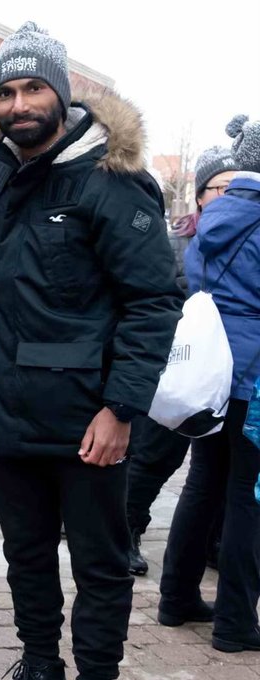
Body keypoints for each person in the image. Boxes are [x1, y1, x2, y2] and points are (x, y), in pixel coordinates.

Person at [0, 23, 182, 680]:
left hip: (90, 423)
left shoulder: (110, 180)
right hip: (7, 415)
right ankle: (41, 669)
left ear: (61, 96)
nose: (19, 103)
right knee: (26, 555)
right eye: (7, 91)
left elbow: (155, 301)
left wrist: (121, 408)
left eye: (33, 89)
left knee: (98, 567)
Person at [158, 116, 260, 652]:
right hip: (253, 378)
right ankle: (237, 622)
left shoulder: (214, 215)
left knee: (204, 484)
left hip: (212, 372)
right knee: (247, 495)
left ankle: (175, 598)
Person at [126, 146, 237, 576]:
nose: (231, 196)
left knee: (218, 467)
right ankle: (127, 530)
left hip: (230, 372)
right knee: (157, 455)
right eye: (222, 188)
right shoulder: (177, 240)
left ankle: (213, 541)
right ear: (201, 195)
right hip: (178, 364)